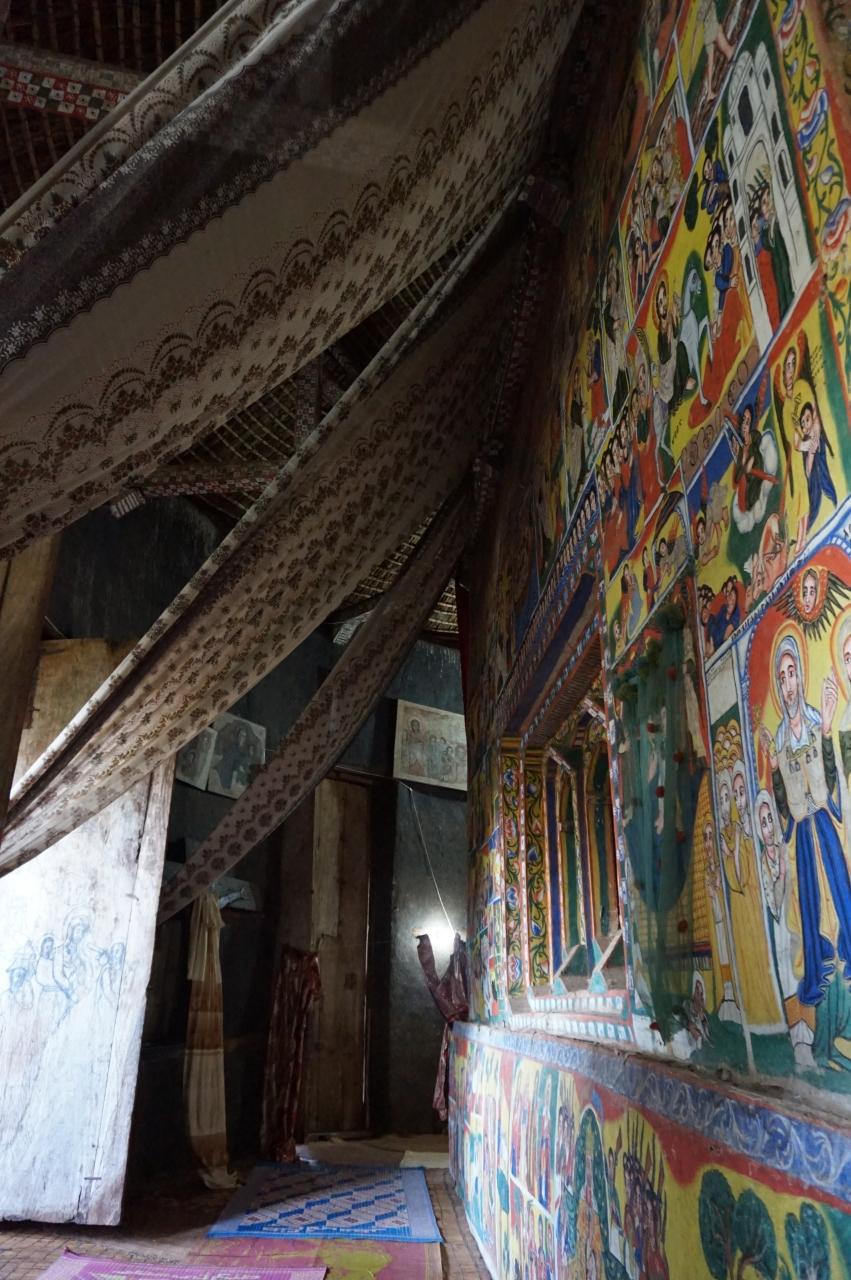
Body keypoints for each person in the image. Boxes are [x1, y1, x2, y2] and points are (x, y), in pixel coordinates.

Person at [759, 633, 851, 1064]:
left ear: (801, 677)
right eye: (782, 677)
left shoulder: (816, 724)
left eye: (793, 673)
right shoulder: (780, 742)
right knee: (811, 906)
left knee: (841, 894)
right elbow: (782, 808)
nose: (789, 684)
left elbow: (830, 783)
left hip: (824, 828)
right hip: (801, 836)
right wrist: (775, 769)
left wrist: (828, 729)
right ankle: (819, 969)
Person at [717, 764, 782, 1026]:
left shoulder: (750, 827)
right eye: (734, 795)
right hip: (741, 907)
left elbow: (745, 873)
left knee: (762, 959)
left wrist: (733, 852)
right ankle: (754, 1015)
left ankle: (769, 1015)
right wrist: (731, 854)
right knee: (746, 959)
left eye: (741, 792)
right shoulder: (734, 831)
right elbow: (736, 879)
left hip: (756, 902)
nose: (738, 800)